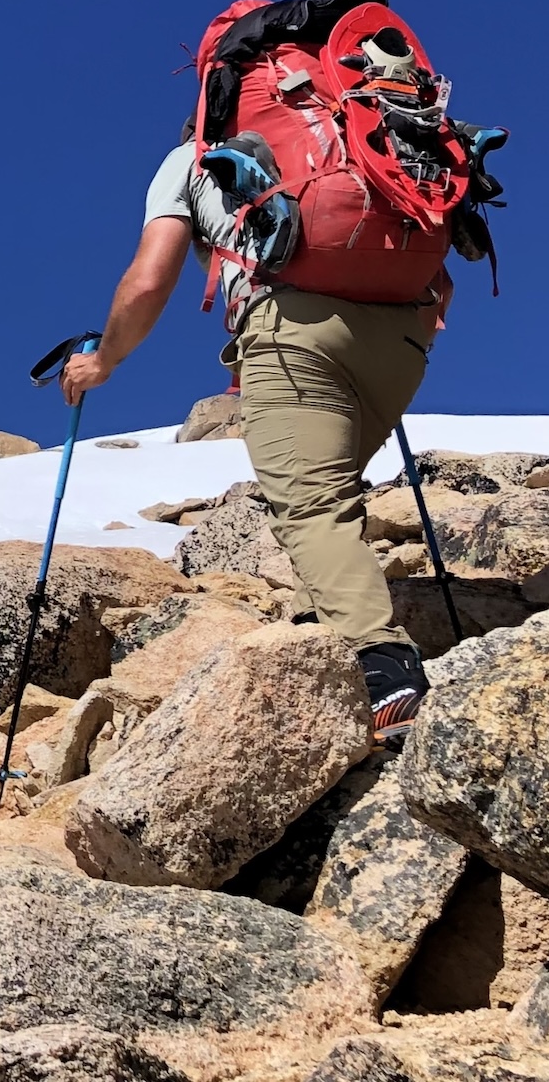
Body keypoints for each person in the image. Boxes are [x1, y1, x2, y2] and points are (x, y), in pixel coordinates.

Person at [58, 118, 445, 744]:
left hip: (294, 332)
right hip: (406, 335)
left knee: (312, 505)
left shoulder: (193, 158)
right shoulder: (351, 131)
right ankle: (325, 627)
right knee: (329, 487)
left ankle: (382, 667)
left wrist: (103, 361)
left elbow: (152, 277)